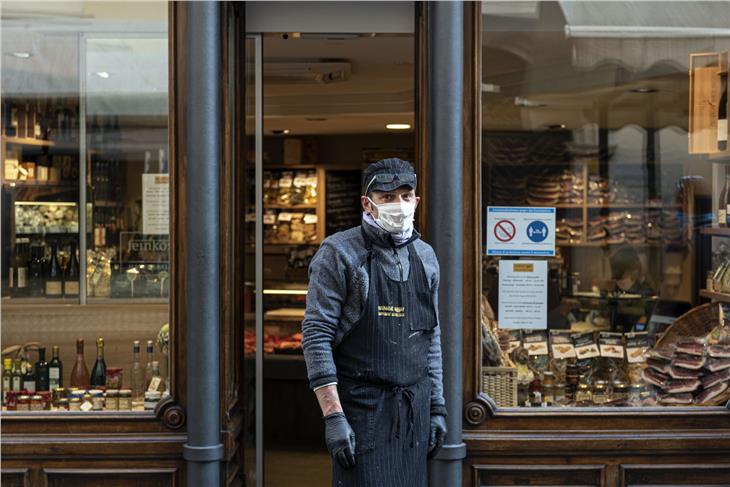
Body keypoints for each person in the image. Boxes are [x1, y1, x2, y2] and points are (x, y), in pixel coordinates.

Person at [301, 158, 447, 487]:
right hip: (363, 412)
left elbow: (430, 337)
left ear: (416, 201)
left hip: (413, 412)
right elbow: (316, 336)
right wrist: (333, 415)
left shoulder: (426, 257)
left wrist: (437, 405)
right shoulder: (338, 253)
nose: (399, 204)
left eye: (405, 196)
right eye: (387, 197)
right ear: (367, 203)